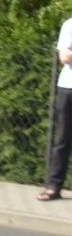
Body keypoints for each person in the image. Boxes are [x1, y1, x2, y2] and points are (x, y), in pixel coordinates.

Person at [39, 15, 72, 201]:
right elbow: (65, 56)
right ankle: (53, 187)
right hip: (68, 88)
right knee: (63, 140)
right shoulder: (70, 25)